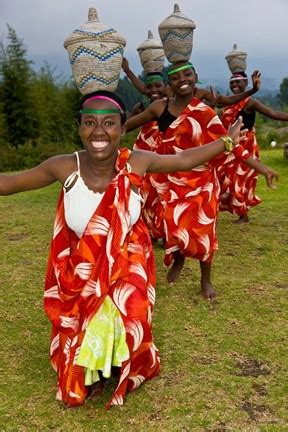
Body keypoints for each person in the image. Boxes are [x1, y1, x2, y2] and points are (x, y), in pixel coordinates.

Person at [0, 90, 257, 408]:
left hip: (129, 259)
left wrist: (227, 141)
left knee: (130, 309)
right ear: (79, 128)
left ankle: (120, 359)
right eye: (89, 123)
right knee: (84, 324)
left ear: (123, 129)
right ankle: (95, 367)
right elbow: (7, 184)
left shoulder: (137, 161)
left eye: (108, 123)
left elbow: (184, 159)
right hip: (81, 265)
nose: (98, 131)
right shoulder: (64, 166)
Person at [125, 61, 278, 299]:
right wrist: (104, 131)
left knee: (204, 231)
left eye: (188, 74)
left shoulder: (205, 113)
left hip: (202, 183)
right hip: (170, 182)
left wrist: (263, 168)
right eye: (176, 77)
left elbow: (232, 147)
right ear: (170, 84)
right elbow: (126, 126)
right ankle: (178, 258)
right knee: (174, 228)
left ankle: (205, 279)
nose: (183, 79)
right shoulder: (158, 107)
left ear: (196, 77)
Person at [218, 71, 288, 223]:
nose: (235, 85)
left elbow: (273, 113)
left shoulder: (250, 103)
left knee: (242, 178)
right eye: (232, 83)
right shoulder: (228, 102)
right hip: (230, 144)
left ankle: (243, 213)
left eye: (238, 83)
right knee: (226, 176)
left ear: (246, 84)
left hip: (246, 144)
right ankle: (232, 207)